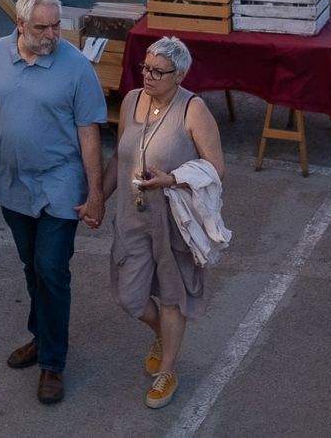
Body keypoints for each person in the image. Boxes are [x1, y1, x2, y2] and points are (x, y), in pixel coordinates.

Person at [0, 0, 107, 404]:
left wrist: (96, 194)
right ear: (19, 25)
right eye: (43, 27)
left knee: (52, 268)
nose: (53, 35)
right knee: (31, 267)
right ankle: (41, 335)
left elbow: (90, 134)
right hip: (14, 183)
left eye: (56, 26)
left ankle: (52, 363)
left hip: (60, 183)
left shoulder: (76, 69)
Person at [104, 36, 225, 411]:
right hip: (131, 216)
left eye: (159, 72)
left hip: (174, 221)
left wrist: (171, 179)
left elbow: (216, 168)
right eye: (146, 68)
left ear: (180, 74)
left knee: (172, 297)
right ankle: (162, 335)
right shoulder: (131, 100)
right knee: (130, 297)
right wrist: (96, 198)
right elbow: (120, 158)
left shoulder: (193, 109)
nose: (149, 77)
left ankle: (168, 369)